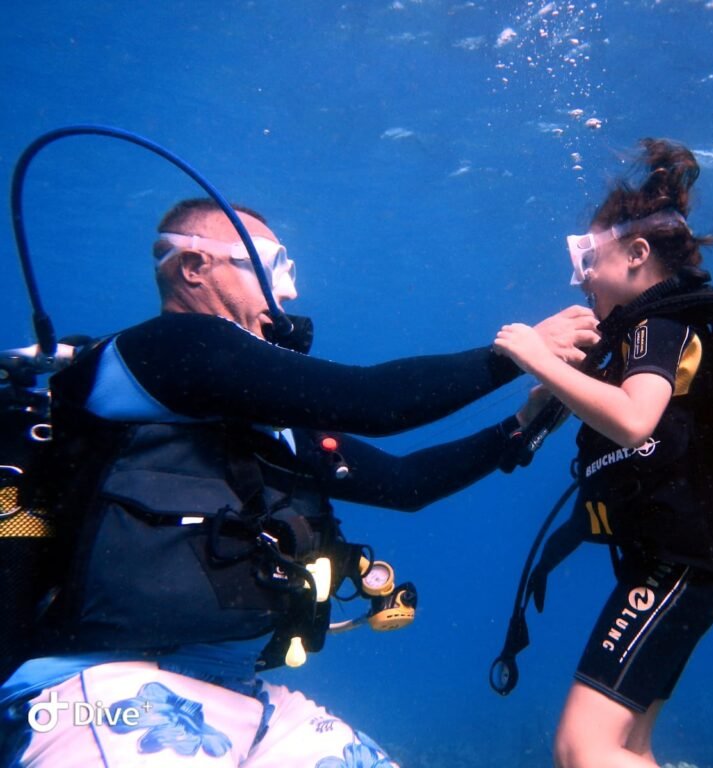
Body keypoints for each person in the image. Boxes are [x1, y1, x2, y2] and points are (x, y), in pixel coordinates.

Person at [0, 198, 598, 767]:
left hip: (240, 686)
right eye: (269, 266)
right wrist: (518, 353)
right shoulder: (172, 344)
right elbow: (374, 401)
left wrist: (521, 427)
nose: (287, 291)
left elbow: (403, 483)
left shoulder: (259, 417)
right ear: (193, 267)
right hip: (105, 682)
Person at [493, 139, 713, 768]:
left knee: (583, 748)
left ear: (637, 255)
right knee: (628, 746)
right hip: (671, 560)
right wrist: (548, 391)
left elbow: (634, 421)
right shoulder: (643, 332)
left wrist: (537, 357)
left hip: (679, 563)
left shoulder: (657, 326)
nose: (580, 276)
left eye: (589, 258)